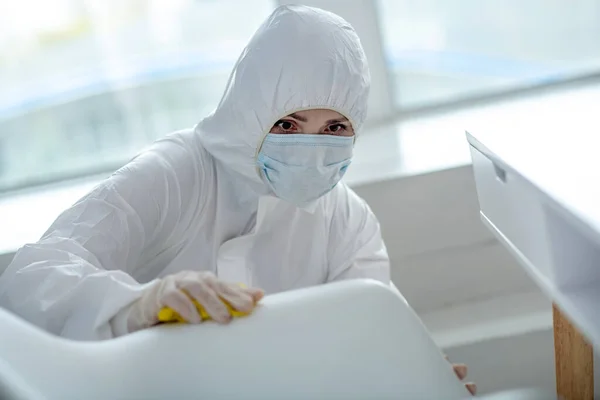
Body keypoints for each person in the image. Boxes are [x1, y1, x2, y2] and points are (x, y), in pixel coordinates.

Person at [0, 5, 475, 394]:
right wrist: (137, 303)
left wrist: (421, 379)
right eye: (288, 124)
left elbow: (371, 338)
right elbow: (30, 279)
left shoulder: (347, 221)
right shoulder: (175, 174)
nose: (311, 149)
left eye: (334, 129)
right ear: (248, 110)